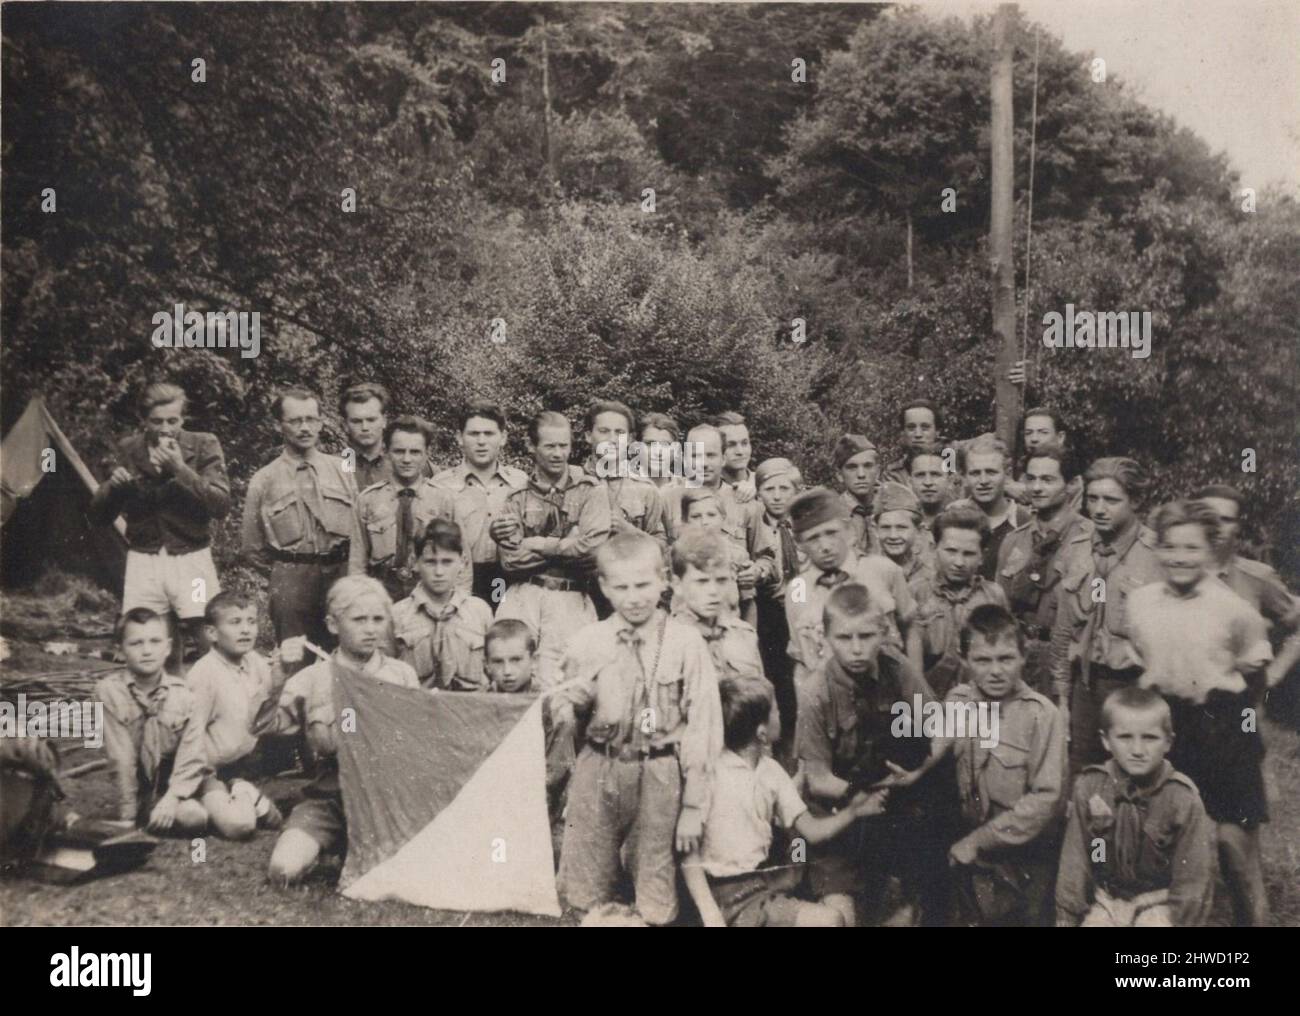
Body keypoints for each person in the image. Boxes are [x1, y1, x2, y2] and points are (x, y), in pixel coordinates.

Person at [549, 533, 723, 926]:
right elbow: (560, 717)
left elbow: (703, 726)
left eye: (643, 584)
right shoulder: (587, 641)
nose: (634, 597)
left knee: (655, 884)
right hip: (599, 767)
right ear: (605, 587)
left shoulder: (685, 642)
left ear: (663, 580)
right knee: (583, 883)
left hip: (659, 773)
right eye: (622, 587)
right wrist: (572, 707)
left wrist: (694, 804)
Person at [1128, 499, 1274, 926]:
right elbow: (1142, 658)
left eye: (1191, 548)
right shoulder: (1140, 603)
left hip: (1224, 724)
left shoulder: (1233, 608)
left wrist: (1249, 735)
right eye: (1170, 547)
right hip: (1168, 724)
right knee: (1163, 844)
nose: (1179, 557)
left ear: (1211, 550)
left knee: (1234, 848)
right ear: (1156, 549)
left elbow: (1257, 672)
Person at [682, 675, 887, 927]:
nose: (781, 715)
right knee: (830, 921)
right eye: (776, 711)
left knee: (832, 914)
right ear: (762, 733)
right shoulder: (711, 772)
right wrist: (710, 913)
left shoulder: (771, 771)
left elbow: (811, 832)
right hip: (725, 894)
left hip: (762, 885)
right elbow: (688, 853)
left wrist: (854, 811)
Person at [795, 583, 944, 926]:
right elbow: (817, 779)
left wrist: (920, 771)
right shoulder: (816, 692)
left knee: (906, 911)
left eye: (866, 636)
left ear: (883, 632)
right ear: (826, 637)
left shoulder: (897, 668)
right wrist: (857, 798)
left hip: (894, 810)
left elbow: (941, 729)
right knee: (842, 917)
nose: (858, 649)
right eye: (845, 638)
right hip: (840, 820)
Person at [266, 576, 419, 884]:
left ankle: (358, 847)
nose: (371, 628)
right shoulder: (313, 677)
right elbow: (265, 726)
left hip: (385, 801)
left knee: (410, 869)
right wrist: (278, 676)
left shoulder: (402, 675)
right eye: (359, 619)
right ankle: (332, 843)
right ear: (333, 624)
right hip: (329, 799)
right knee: (283, 869)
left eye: (378, 619)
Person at [90, 382, 230, 668]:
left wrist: (180, 468)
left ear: (183, 418)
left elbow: (221, 506)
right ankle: (170, 704)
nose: (166, 428)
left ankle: (221, 702)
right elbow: (98, 517)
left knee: (209, 637)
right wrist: (113, 487)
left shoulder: (203, 444)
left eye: (173, 420)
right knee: (157, 643)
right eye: (157, 421)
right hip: (145, 559)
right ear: (143, 421)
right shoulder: (129, 449)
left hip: (191, 559)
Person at [942, 605, 1066, 926]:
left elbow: (1044, 802)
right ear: (965, 661)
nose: (996, 671)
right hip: (963, 851)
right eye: (983, 660)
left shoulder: (1042, 715)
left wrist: (978, 841)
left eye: (1006, 659)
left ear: (1024, 657)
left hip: (1021, 857)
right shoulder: (957, 703)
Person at [1055, 687, 1215, 928]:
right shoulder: (1090, 786)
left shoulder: (1182, 798)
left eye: (1150, 738)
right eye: (1125, 737)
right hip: (1106, 899)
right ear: (1106, 741)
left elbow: (1194, 878)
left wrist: (1181, 919)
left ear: (1168, 742)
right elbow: (1075, 859)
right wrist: (1067, 916)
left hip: (1161, 902)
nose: (1138, 750)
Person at [1050, 457, 1162, 775]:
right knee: (1080, 777)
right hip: (1084, 686)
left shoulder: (1156, 555)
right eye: (1092, 499)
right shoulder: (1076, 548)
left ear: (1136, 501)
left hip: (1135, 687)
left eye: (1111, 500)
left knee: (1134, 778)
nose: (1099, 509)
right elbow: (1063, 630)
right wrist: (1062, 698)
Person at [492, 411, 611, 689]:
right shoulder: (516, 496)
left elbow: (595, 552)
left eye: (564, 446)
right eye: (550, 446)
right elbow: (510, 561)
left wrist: (539, 544)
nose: (558, 453)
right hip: (523, 599)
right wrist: (571, 542)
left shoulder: (591, 490)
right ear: (532, 447)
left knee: (567, 688)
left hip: (571, 599)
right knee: (511, 683)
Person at [241, 387, 356, 654]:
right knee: (294, 660)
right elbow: (251, 546)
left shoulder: (343, 470)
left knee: (345, 660)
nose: (305, 428)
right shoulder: (264, 479)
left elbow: (360, 529)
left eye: (311, 420)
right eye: (295, 421)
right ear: (279, 425)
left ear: (320, 422)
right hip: (291, 581)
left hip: (341, 576)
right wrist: (286, 572)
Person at [171, 592, 294, 838]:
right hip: (206, 771)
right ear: (212, 633)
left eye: (251, 621)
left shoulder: (254, 661)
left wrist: (280, 676)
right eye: (235, 622)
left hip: (244, 763)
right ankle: (244, 796)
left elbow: (263, 719)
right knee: (240, 825)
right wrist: (181, 789)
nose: (246, 630)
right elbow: (190, 736)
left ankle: (244, 790)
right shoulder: (204, 674)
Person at [784, 487, 920, 684]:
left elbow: (911, 628)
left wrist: (914, 683)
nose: (825, 546)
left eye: (831, 533)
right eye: (813, 538)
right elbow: (800, 658)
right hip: (832, 697)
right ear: (799, 544)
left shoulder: (882, 570)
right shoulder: (797, 589)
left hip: (886, 689)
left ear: (848, 531)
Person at [97, 608, 208, 833]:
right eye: (136, 643)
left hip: (170, 784)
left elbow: (192, 755)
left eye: (155, 642)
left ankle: (156, 812)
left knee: (195, 818)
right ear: (120, 650)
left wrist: (172, 798)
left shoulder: (186, 696)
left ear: (167, 647)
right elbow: (121, 756)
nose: (147, 651)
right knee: (127, 823)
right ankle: (139, 815)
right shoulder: (108, 691)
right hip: (131, 784)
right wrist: (127, 816)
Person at [670, 526, 779, 738]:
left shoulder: (744, 635)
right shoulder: (666, 643)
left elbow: (765, 716)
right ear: (677, 585)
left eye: (721, 580)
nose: (713, 591)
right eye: (701, 581)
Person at [995, 447, 1089, 694]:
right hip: (1020, 655)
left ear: (1070, 485)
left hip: (1068, 659)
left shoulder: (1089, 539)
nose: (1036, 488)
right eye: (1031, 478)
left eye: (1047, 480)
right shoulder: (1014, 541)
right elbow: (1000, 606)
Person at [349, 415, 470, 602]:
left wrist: (460, 603)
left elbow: (463, 562)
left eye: (415, 452)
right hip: (380, 593)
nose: (406, 459)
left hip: (429, 592)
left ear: (426, 453)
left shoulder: (443, 499)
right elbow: (357, 564)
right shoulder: (368, 500)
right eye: (399, 451)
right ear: (387, 452)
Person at [1194, 483, 1300, 693]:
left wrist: (1273, 674)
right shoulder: (1175, 572)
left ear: (1238, 527)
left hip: (1235, 697)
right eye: (1208, 517)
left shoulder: (1257, 576)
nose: (1216, 526)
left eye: (1226, 519)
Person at [431, 401, 528, 606]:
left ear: (503, 438)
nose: (481, 441)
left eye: (489, 434)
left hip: (508, 577)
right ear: (459, 438)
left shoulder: (521, 482)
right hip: (460, 578)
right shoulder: (441, 485)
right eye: (473, 434)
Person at [913, 505, 1008, 698]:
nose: (959, 562)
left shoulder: (993, 596)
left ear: (982, 555)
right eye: (951, 551)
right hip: (927, 705)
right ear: (934, 549)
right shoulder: (915, 593)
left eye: (969, 553)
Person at [584, 399, 667, 618]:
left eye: (619, 433)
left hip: (629, 598)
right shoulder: (574, 484)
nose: (612, 439)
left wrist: (629, 531)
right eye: (603, 431)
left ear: (630, 440)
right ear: (588, 435)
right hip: (580, 594)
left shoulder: (645, 490)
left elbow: (662, 547)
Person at [392, 519, 494, 691]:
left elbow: (493, 673)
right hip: (415, 710)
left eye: (447, 562)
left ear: (462, 562)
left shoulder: (480, 611)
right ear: (415, 562)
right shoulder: (398, 615)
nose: (439, 572)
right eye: (430, 562)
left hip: (469, 710)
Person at [753, 457, 803, 751]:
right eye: (769, 489)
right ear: (759, 493)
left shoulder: (803, 526)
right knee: (776, 675)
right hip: (770, 611)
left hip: (801, 607)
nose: (777, 495)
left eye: (784, 488)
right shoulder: (755, 525)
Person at [953, 435, 1031, 580]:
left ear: (1007, 474)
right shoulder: (952, 518)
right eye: (975, 473)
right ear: (964, 477)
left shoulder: (1025, 523)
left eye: (991, 472)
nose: (983, 481)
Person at [680, 488, 759, 623]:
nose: (704, 522)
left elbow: (748, 603)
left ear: (722, 518)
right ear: (685, 520)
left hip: (728, 631)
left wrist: (749, 638)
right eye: (696, 516)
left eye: (711, 515)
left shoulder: (737, 555)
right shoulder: (677, 556)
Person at [338, 382, 430, 490]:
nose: (365, 427)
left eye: (371, 420)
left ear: (384, 421)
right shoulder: (333, 467)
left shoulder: (415, 464)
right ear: (345, 425)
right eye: (356, 421)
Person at [1004, 407, 1083, 510]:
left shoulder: (1069, 473)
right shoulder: (1020, 467)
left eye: (1043, 432)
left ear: (1060, 437)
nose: (1034, 439)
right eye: (1028, 433)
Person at [873, 482, 936, 599]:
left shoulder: (932, 576)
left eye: (901, 527)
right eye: (885, 527)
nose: (893, 535)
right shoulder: (867, 574)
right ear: (876, 530)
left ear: (919, 531)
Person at [639, 411, 687, 537]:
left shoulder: (687, 489)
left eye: (665, 445)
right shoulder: (624, 487)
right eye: (649, 444)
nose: (658, 452)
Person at [833, 434, 881, 554]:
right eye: (852, 467)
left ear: (878, 472)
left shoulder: (892, 508)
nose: (861, 474)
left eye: (868, 466)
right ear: (839, 475)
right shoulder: (832, 516)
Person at [880, 399, 943, 488]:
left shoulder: (952, 464)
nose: (918, 434)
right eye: (911, 428)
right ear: (903, 433)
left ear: (937, 432)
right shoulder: (894, 473)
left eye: (925, 428)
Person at [906, 446, 953, 534]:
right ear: (909, 482)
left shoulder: (961, 520)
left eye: (935, 474)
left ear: (949, 481)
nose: (928, 482)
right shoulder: (901, 522)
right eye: (920, 475)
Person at [484, 618, 539, 694]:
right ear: (487, 664)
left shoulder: (549, 701)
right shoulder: (476, 701)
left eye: (516, 660)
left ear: (533, 660)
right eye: (498, 662)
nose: (507, 671)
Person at [711, 411, 756, 502]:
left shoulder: (765, 484)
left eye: (744, 443)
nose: (740, 451)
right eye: (730, 445)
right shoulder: (707, 488)